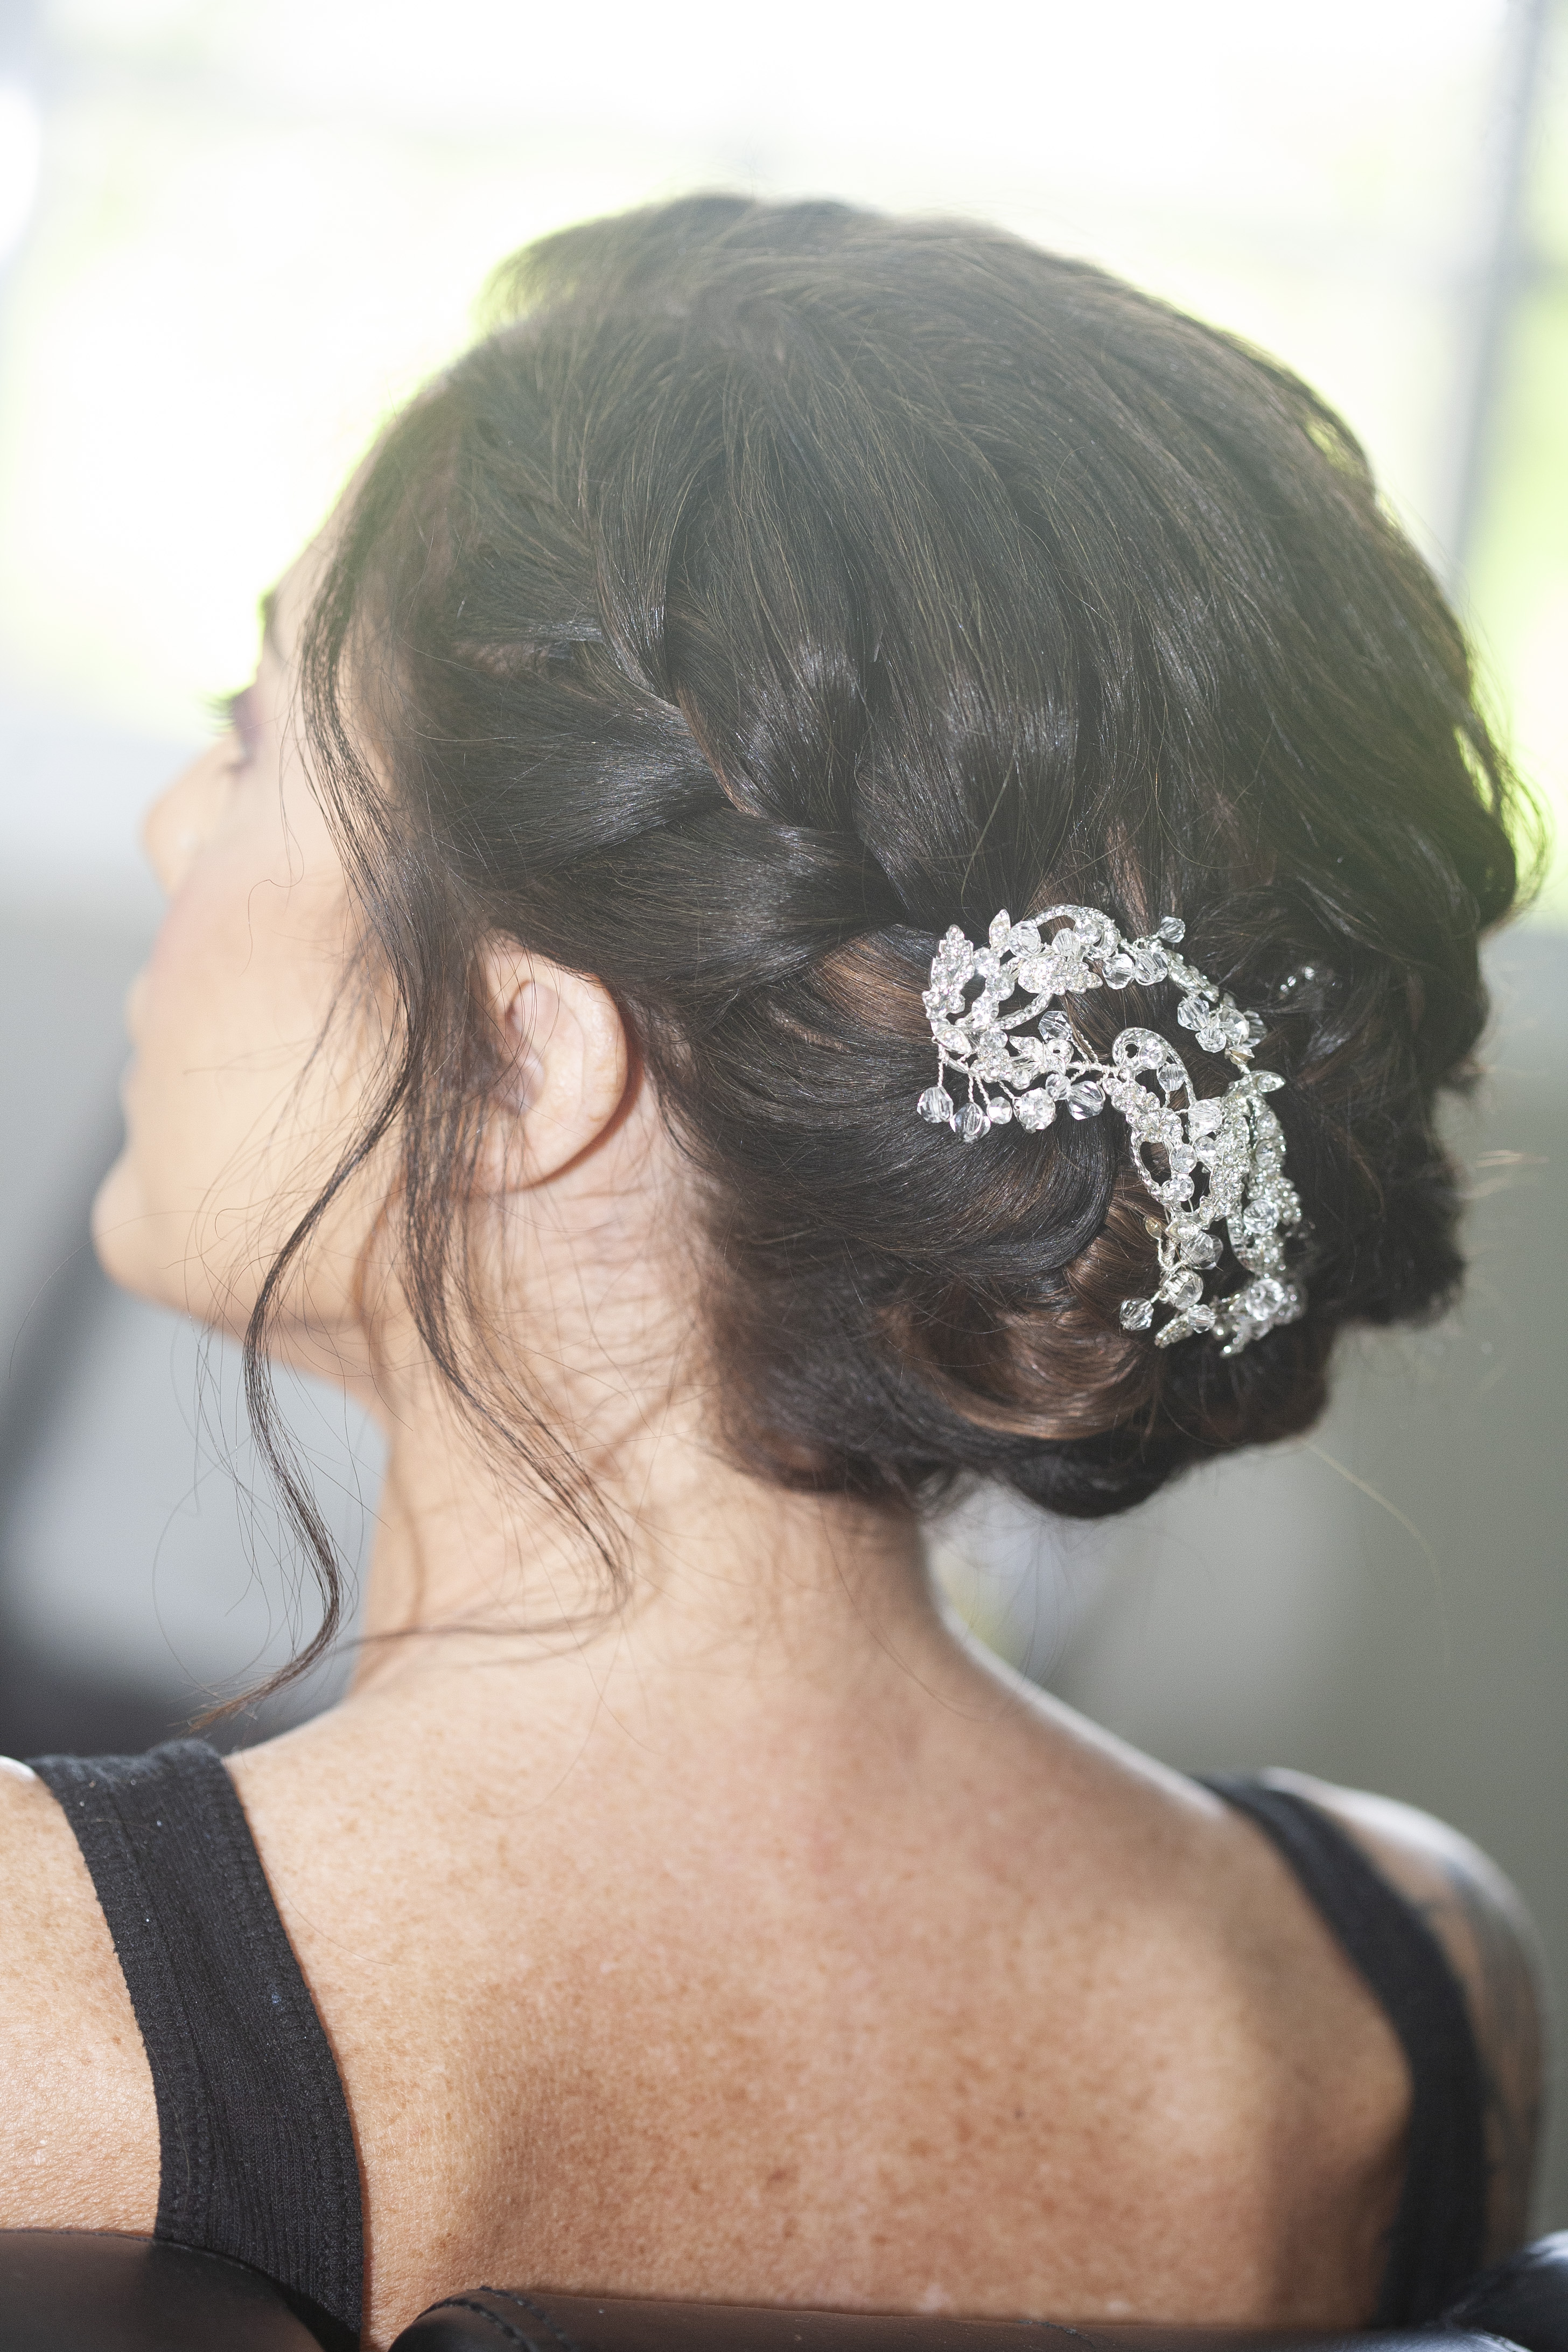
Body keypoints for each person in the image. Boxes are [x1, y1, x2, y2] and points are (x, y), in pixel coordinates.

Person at [0, 197, 1545, 2352]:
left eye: (255, 738)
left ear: (530, 1059)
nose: (179, 828)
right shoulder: (1389, 1993)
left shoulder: (38, 1996)